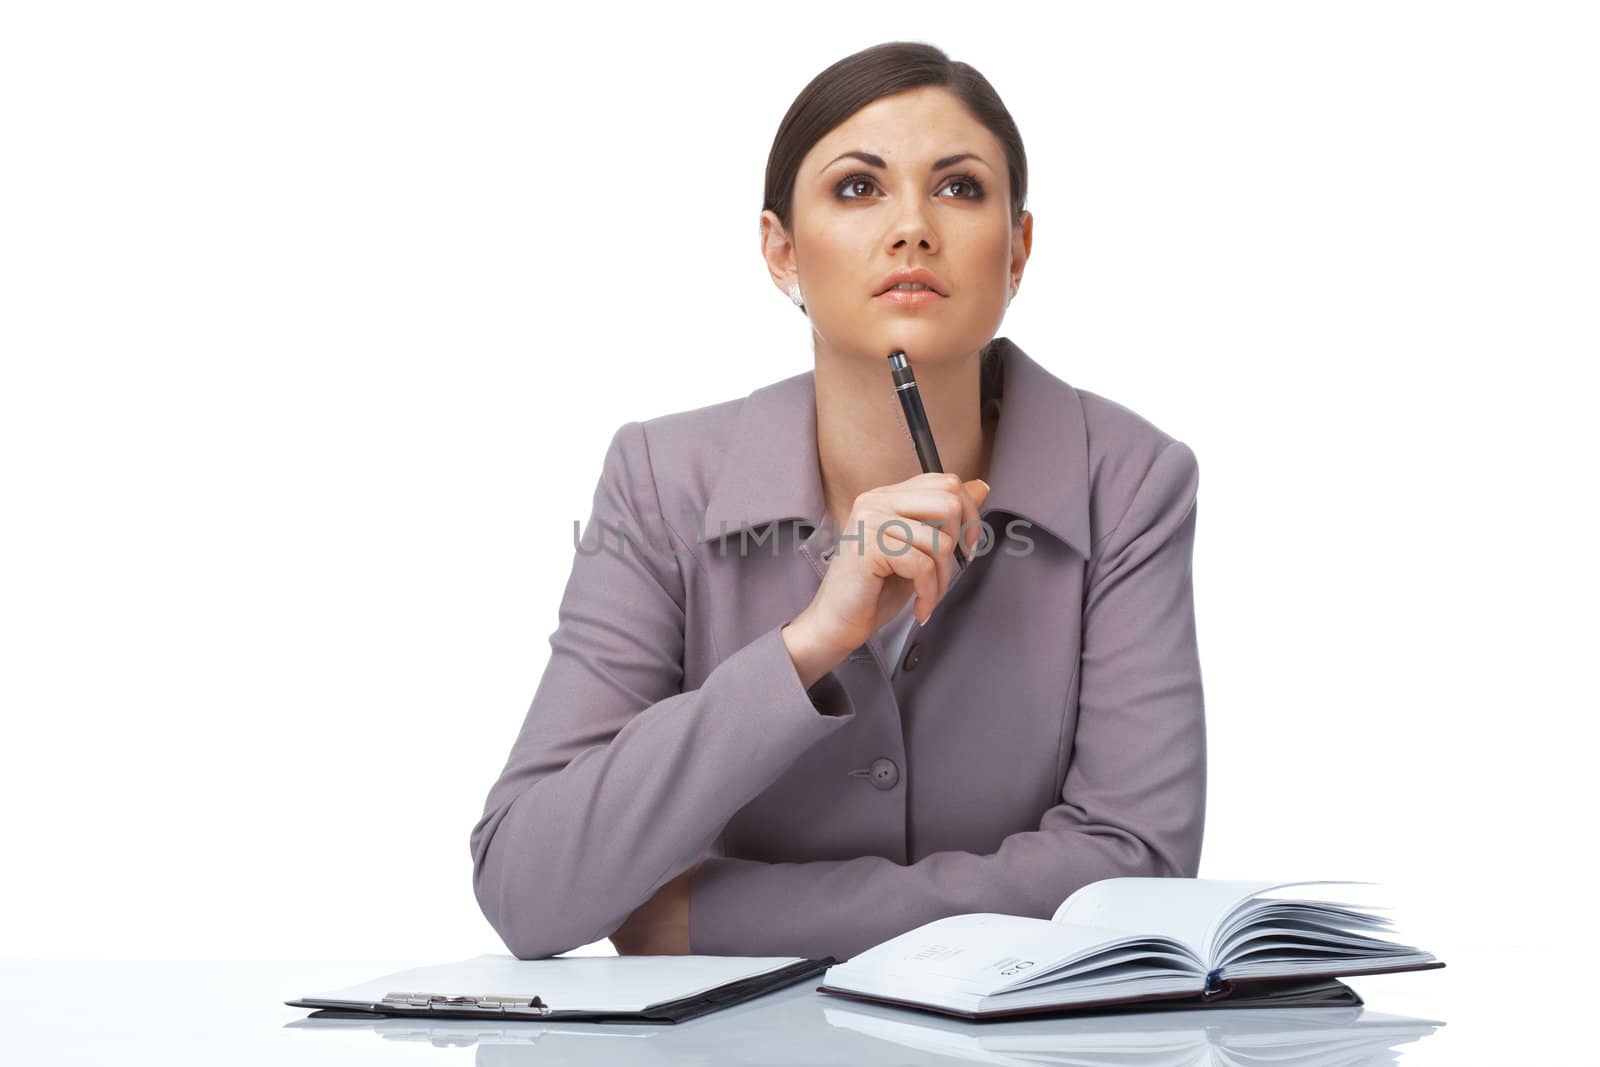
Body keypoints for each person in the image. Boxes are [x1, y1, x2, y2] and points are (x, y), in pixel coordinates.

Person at [469, 41, 1206, 963]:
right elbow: (525, 886)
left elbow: (1133, 875)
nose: (911, 229)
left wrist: (705, 918)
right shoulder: (661, 477)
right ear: (781, 248)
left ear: (1017, 249)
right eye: (858, 188)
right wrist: (807, 643)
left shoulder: (1131, 480)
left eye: (960, 188)